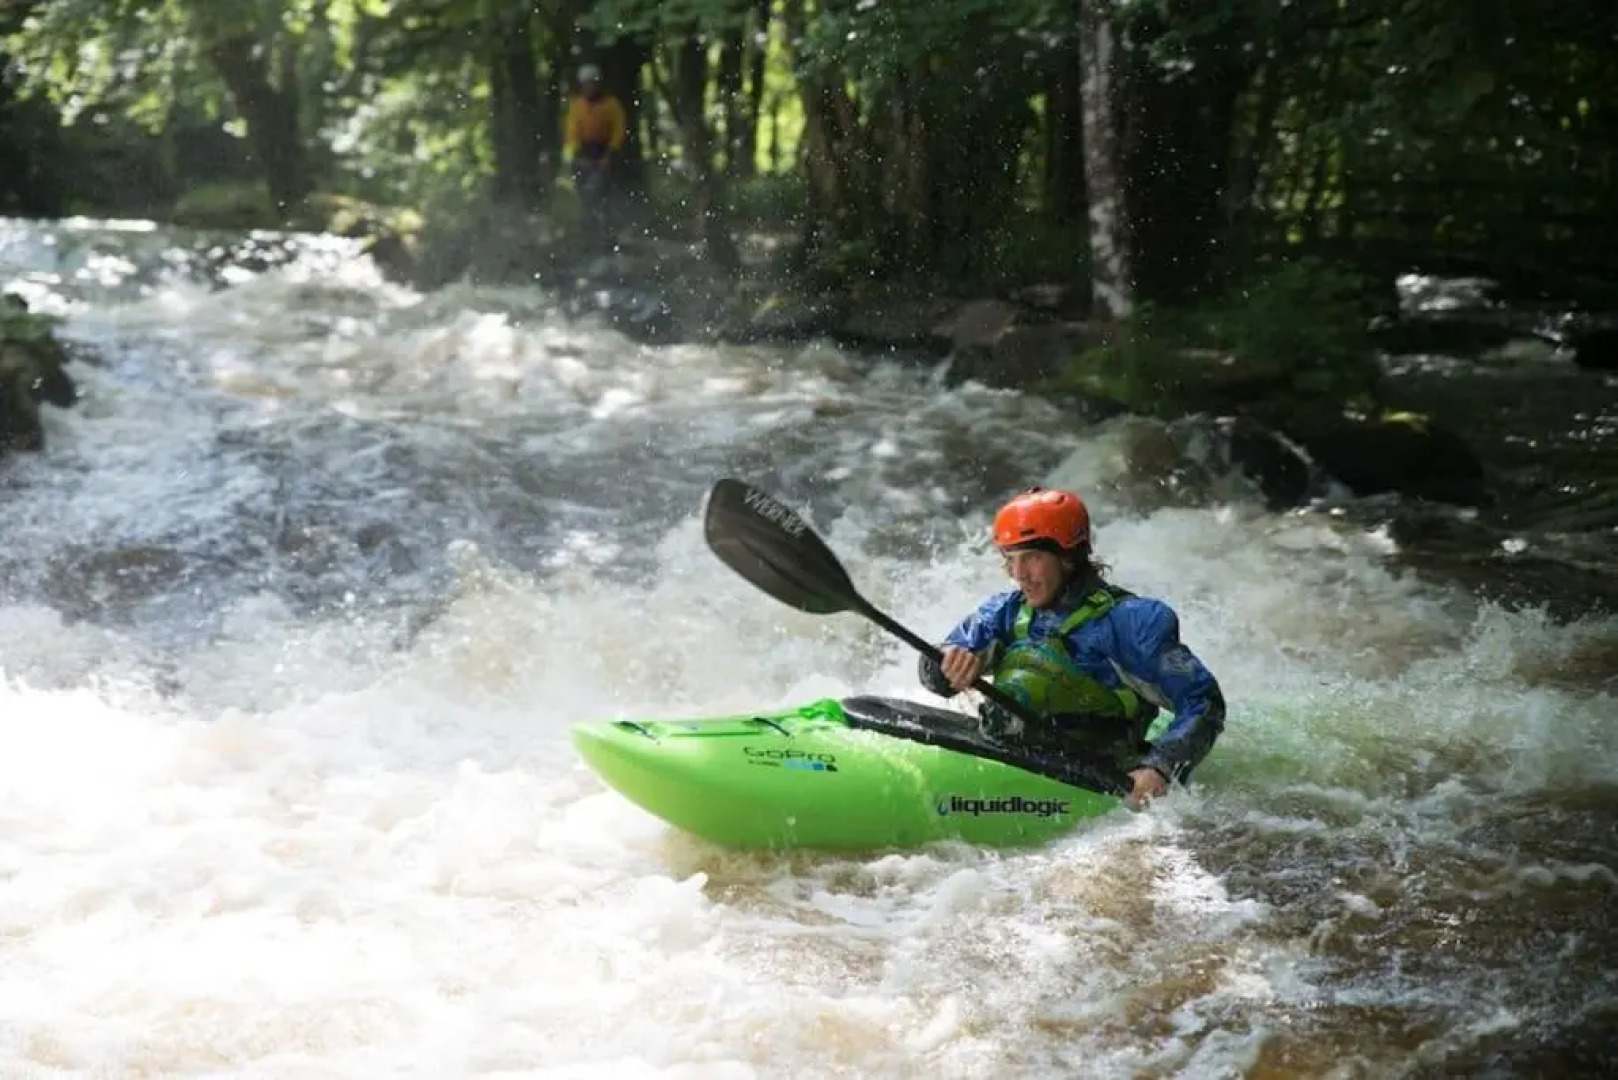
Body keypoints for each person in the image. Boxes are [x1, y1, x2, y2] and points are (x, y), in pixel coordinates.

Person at [918, 487, 1225, 810]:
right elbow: (938, 678)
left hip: (1096, 779)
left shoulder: (1129, 623)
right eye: (1010, 559)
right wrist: (945, 664)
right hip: (1012, 754)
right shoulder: (1005, 612)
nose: (1019, 574)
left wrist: (1160, 767)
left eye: (1032, 557)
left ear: (1067, 557)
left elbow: (1203, 703)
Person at [563, 63, 627, 233]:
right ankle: (587, 227)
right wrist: (580, 158)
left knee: (605, 191)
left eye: (592, 83)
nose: (589, 87)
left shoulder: (612, 105)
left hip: (607, 151)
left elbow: (619, 131)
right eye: (586, 84)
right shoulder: (577, 106)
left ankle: (609, 229)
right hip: (585, 152)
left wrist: (609, 156)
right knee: (584, 191)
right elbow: (572, 133)